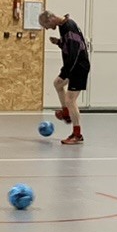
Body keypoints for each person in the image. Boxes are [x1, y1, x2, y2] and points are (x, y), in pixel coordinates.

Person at [40, 11, 89, 147]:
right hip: (73, 66)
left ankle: (77, 134)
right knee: (57, 84)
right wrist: (59, 42)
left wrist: (66, 72)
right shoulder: (64, 26)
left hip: (78, 66)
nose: (47, 29)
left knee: (70, 99)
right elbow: (72, 44)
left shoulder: (69, 26)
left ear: (51, 19)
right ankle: (67, 113)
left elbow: (74, 53)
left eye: (46, 25)